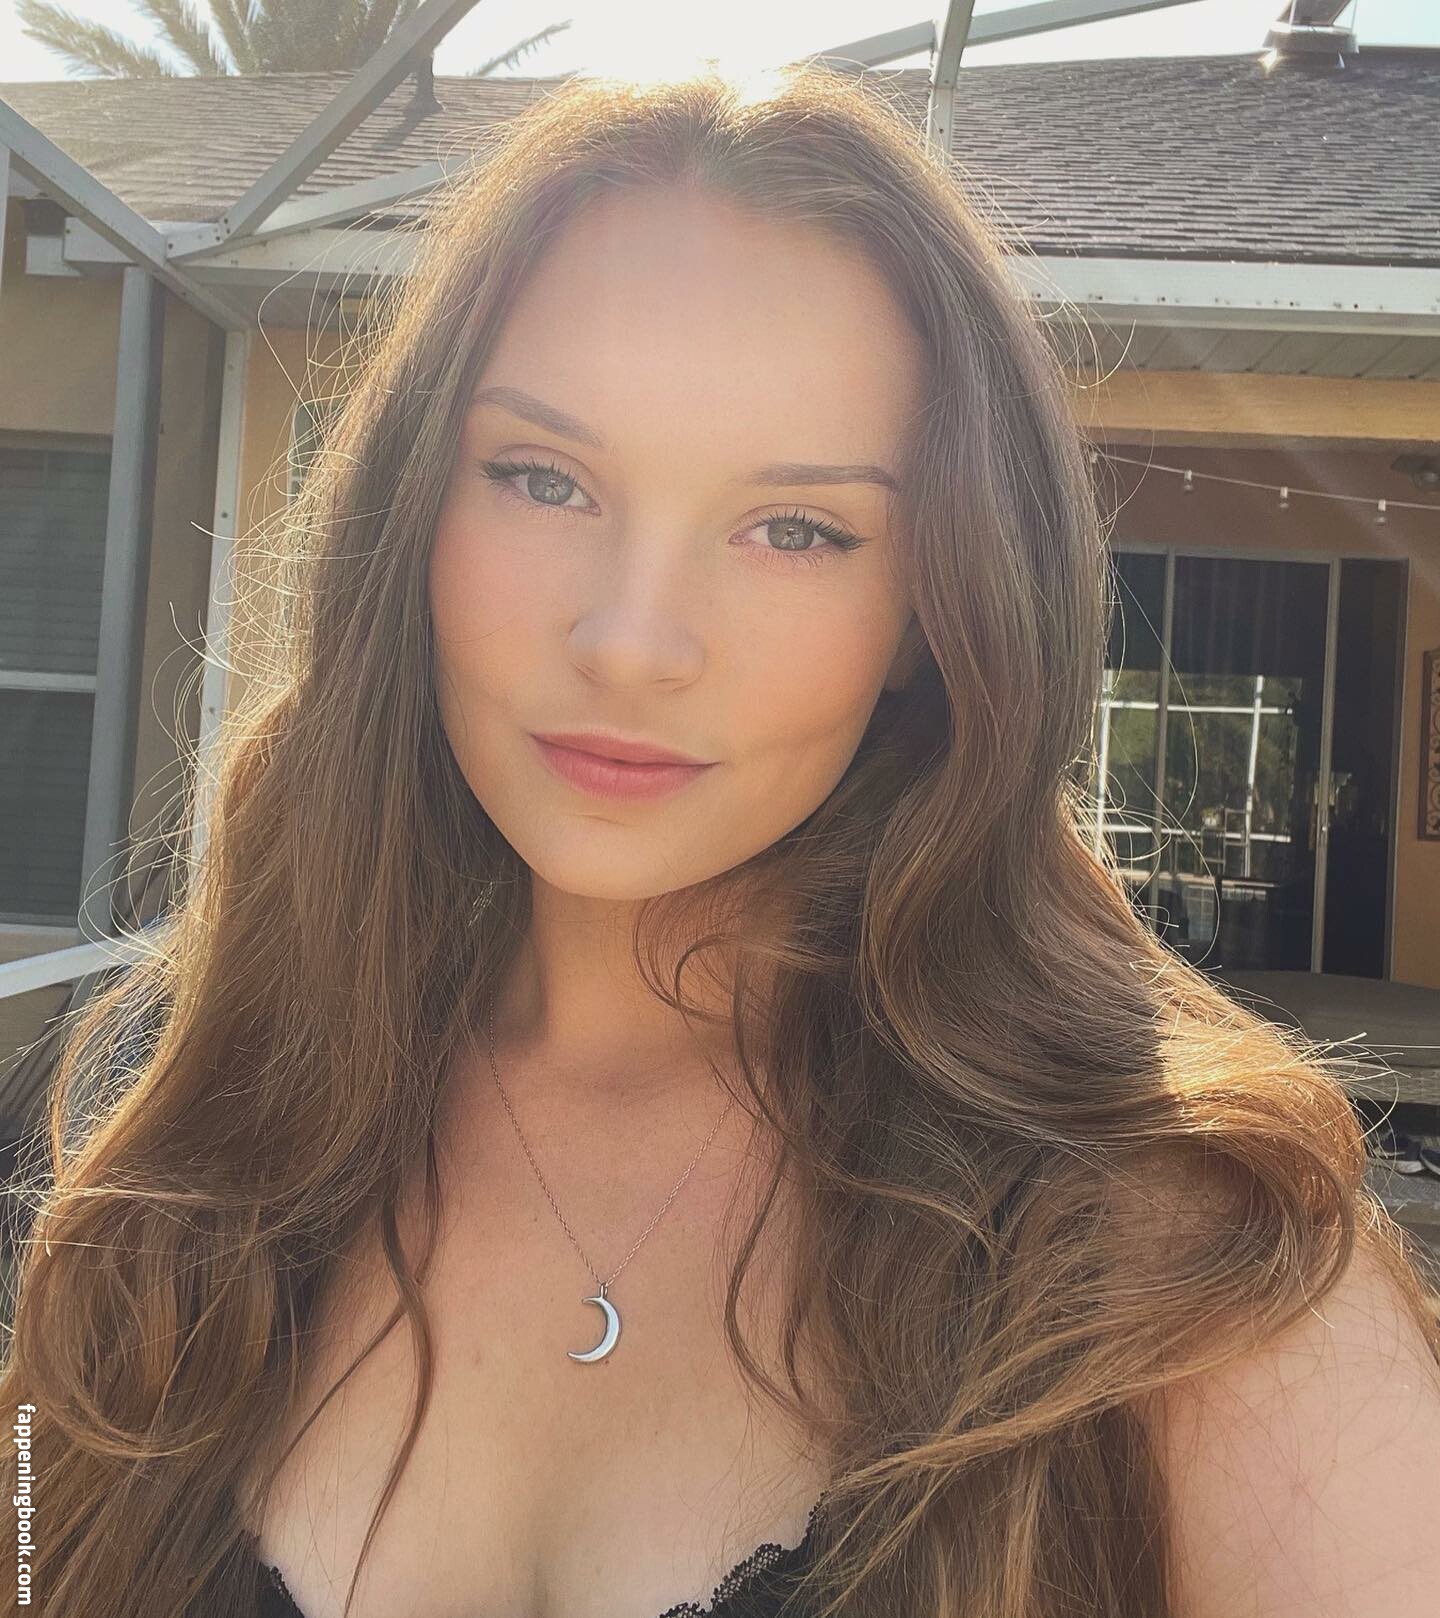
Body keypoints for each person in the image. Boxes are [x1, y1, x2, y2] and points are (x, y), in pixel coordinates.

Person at [3, 67, 1438, 1618]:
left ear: (930, 613)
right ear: (412, 511)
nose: (632, 641)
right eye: (543, 477)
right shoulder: (179, 1128)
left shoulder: (1190, 1265)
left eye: (795, 528)